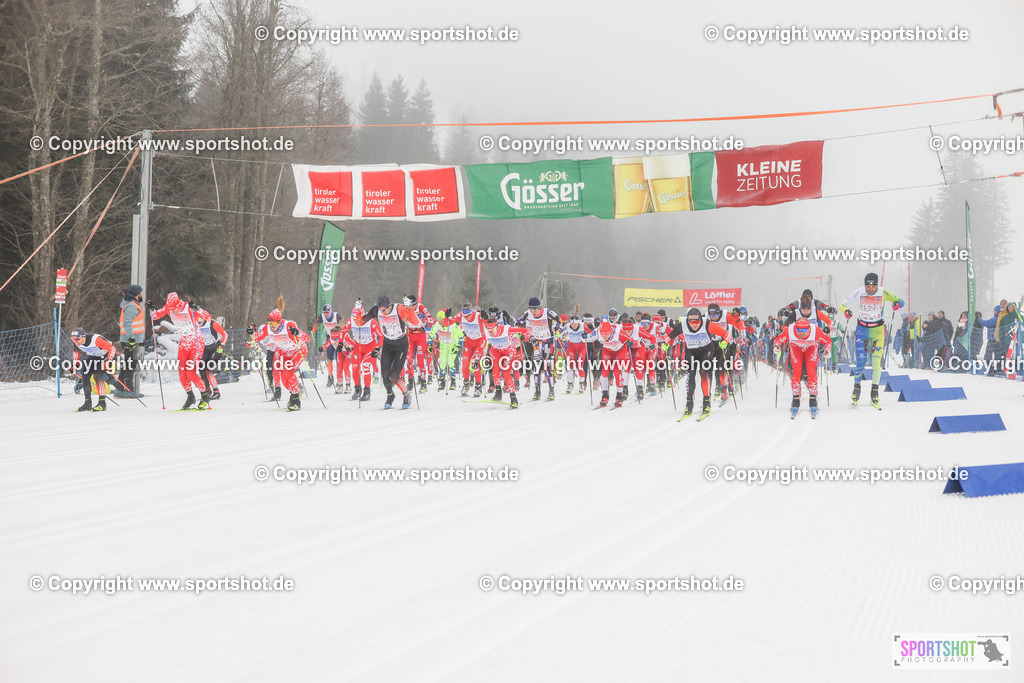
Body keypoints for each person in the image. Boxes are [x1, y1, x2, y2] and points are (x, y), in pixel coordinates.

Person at [839, 273, 905, 407]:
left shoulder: (883, 292)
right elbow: (842, 305)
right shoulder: (859, 292)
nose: (870, 289)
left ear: (876, 285)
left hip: (878, 331)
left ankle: (874, 392)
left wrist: (897, 305)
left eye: (873, 286)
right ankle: (856, 389)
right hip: (861, 330)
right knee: (861, 362)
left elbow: (901, 301)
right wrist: (845, 311)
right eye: (868, 286)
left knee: (876, 363)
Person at [148, 292, 212, 410]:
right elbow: (155, 316)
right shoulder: (169, 307)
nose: (174, 311)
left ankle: (205, 395)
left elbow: (208, 317)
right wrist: (151, 309)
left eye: (175, 308)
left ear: (179, 303)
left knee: (190, 373)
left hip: (196, 342)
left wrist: (198, 309)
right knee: (182, 373)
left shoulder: (189, 307)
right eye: (171, 309)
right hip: (184, 343)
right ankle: (190, 396)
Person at [355, 296, 421, 409]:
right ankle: (390, 395)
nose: (383, 312)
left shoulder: (399, 308)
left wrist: (409, 308)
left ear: (389, 306)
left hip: (401, 344)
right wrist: (358, 310)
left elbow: (415, 322)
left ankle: (406, 395)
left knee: (394, 376)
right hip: (388, 345)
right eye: (381, 310)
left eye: (384, 310)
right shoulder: (376, 310)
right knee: (385, 376)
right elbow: (360, 322)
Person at [666, 308, 730, 418]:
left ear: (701, 319)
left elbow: (726, 334)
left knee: (704, 372)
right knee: (691, 374)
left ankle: (706, 402)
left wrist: (725, 342)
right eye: (691, 321)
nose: (694, 324)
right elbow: (670, 336)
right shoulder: (683, 325)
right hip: (691, 351)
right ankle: (689, 403)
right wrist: (667, 343)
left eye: (697, 321)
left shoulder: (707, 323)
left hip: (706, 350)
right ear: (688, 320)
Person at [249, 304, 309, 411]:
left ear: (279, 322)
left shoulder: (288, 325)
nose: (271, 325)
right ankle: (295, 391)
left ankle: (296, 400)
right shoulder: (268, 328)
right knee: (284, 379)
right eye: (269, 323)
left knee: (289, 370)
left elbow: (307, 338)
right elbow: (257, 337)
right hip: (284, 352)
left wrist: (297, 333)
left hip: (298, 350)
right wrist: (251, 333)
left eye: (274, 323)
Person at [773, 317, 832, 416]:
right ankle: (796, 397)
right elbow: (778, 340)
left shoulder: (815, 330)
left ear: (808, 328)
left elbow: (827, 341)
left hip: (811, 348)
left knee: (811, 371)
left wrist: (827, 350)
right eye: (799, 330)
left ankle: (813, 397)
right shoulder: (790, 330)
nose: (801, 332)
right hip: (796, 348)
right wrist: (776, 347)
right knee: (796, 371)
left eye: (804, 330)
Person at [518, 297, 561, 401]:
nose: (533, 312)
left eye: (535, 310)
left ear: (539, 307)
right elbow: (518, 324)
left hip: (548, 342)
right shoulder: (527, 314)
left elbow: (561, 321)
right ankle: (537, 391)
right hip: (536, 343)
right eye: (531, 310)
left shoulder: (548, 312)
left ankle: (551, 390)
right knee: (536, 369)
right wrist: (524, 335)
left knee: (548, 368)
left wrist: (558, 330)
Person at [339, 301, 383, 401]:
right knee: (355, 368)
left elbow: (381, 336)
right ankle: (357, 389)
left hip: (370, 347)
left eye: (358, 318)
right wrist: (340, 343)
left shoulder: (371, 321)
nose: (356, 320)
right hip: (358, 347)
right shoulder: (351, 321)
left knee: (366, 366)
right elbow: (343, 332)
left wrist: (377, 348)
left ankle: (367, 391)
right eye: (354, 317)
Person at [442, 302, 487, 396]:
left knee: (475, 364)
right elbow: (446, 324)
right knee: (465, 365)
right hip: (469, 342)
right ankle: (466, 385)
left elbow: (490, 323)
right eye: (465, 315)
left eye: (468, 315)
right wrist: (447, 316)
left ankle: (478, 386)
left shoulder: (478, 316)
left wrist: (486, 317)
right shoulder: (460, 315)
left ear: (472, 312)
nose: (466, 317)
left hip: (480, 341)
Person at [70, 327, 116, 411]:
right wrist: (75, 365)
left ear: (83, 337)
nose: (75, 341)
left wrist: (108, 361)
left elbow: (112, 349)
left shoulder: (96, 340)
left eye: (77, 339)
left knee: (97, 376)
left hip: (106, 356)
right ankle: (87, 403)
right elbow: (76, 353)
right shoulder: (76, 342)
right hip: (93, 356)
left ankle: (102, 404)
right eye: (73, 339)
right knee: (85, 376)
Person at [116, 284, 145, 396]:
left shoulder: (129, 304)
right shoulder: (132, 306)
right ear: (137, 295)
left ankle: (120, 387)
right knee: (131, 364)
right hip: (130, 340)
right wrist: (132, 339)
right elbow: (127, 323)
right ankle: (129, 389)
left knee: (127, 362)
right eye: (140, 293)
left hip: (129, 339)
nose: (142, 294)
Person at [197, 308, 228, 400]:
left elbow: (225, 334)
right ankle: (207, 391)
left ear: (203, 319)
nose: (199, 325)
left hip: (215, 348)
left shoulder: (212, 323)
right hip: (204, 349)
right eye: (197, 323)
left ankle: (216, 392)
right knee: (201, 369)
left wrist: (222, 345)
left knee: (208, 370)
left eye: (200, 322)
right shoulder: (195, 326)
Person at [430, 310, 462, 392]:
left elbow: (461, 336)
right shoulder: (436, 325)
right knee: (442, 364)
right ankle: (442, 382)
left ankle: (453, 382)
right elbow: (431, 334)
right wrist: (430, 344)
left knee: (451, 363)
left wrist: (458, 346)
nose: (440, 321)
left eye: (441, 319)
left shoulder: (452, 325)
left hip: (452, 346)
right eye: (438, 319)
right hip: (443, 345)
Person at [310, 304, 341, 387]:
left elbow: (343, 325)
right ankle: (330, 378)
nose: (326, 314)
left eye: (327, 312)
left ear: (330, 311)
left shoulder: (336, 316)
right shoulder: (322, 317)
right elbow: (316, 325)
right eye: (324, 312)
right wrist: (312, 330)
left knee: (339, 360)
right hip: (329, 338)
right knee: (329, 359)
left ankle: (339, 380)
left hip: (338, 339)